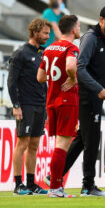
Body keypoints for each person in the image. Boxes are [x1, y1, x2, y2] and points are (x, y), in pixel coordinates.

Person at [55, 4, 105, 197]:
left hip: (98, 96)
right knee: (91, 142)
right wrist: (99, 89)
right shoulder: (90, 38)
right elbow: (80, 68)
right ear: (101, 20)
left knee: (82, 139)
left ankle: (55, 175)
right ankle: (88, 186)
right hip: (87, 96)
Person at [37, 14, 80, 198]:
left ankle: (55, 186)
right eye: (78, 26)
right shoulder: (71, 48)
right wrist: (72, 78)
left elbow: (40, 77)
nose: (79, 29)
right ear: (73, 29)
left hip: (52, 101)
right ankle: (54, 188)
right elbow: (71, 66)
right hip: (67, 101)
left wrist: (56, 80)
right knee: (62, 146)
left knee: (58, 146)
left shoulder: (49, 49)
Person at [7, 18, 50, 195]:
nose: (48, 36)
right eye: (45, 33)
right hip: (25, 105)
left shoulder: (44, 53)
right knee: (22, 143)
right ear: (35, 32)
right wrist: (16, 105)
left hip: (41, 104)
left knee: (34, 145)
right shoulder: (21, 53)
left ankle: (31, 184)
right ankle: (18, 185)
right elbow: (11, 81)